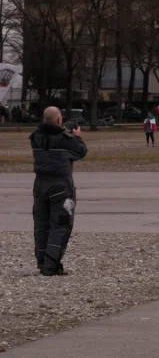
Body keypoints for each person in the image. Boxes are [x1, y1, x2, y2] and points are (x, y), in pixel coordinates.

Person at [31, 106, 87, 275]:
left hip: (40, 186)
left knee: (41, 226)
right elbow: (81, 152)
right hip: (60, 188)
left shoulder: (35, 137)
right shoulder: (65, 139)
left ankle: (42, 263)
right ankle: (51, 265)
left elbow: (49, 136)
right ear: (58, 120)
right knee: (60, 226)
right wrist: (77, 137)